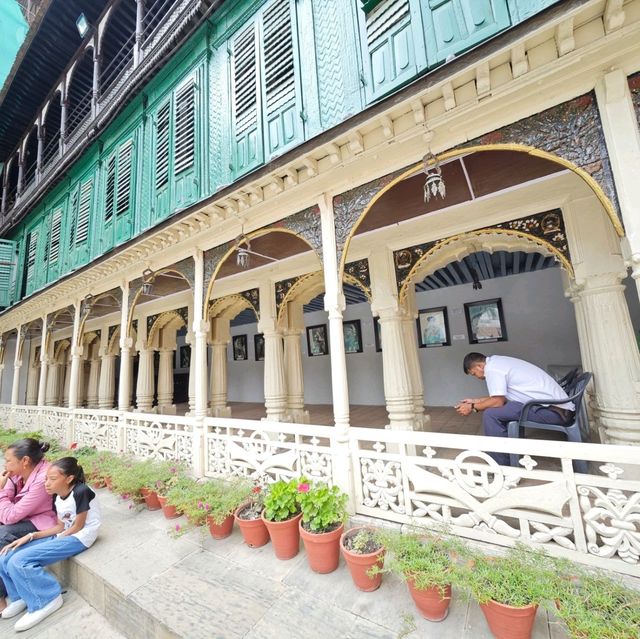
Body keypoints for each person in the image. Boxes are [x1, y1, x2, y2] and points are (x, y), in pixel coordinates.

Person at [0, 457, 101, 632]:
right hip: (65, 534)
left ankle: (46, 599)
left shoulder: (81, 491)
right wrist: (31, 536)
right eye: (46, 478)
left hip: (80, 537)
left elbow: (78, 526)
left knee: (19, 561)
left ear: (69, 478)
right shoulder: (57, 497)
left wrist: (53, 541)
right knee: (6, 555)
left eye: (52, 479)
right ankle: (20, 596)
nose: (46, 483)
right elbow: (60, 526)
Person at [456, 353, 575, 466]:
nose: (476, 377)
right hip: (554, 408)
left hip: (555, 412)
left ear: (480, 366)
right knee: (498, 410)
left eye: (474, 374)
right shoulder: (498, 362)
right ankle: (499, 453)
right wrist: (475, 401)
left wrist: (472, 407)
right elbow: (500, 397)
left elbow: (497, 402)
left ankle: (501, 465)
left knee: (490, 414)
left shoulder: (492, 369)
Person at [0, 438, 57, 613]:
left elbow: (10, 516)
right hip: (25, 517)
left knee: (2, 535)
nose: (5, 464)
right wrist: (5, 486)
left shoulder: (42, 478)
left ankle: (7, 595)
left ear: (24, 461)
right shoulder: (17, 473)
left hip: (43, 522)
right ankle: (9, 594)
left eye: (8, 460)